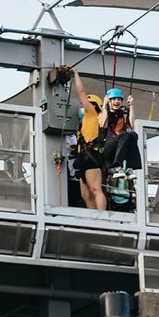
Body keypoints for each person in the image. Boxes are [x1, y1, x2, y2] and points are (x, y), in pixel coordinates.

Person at [69, 69, 107, 211]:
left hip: (91, 157)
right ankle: (94, 217)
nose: (84, 106)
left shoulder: (91, 114)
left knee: (95, 189)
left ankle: (102, 216)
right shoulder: (83, 123)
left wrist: (76, 75)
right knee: (85, 194)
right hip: (82, 158)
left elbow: (81, 93)